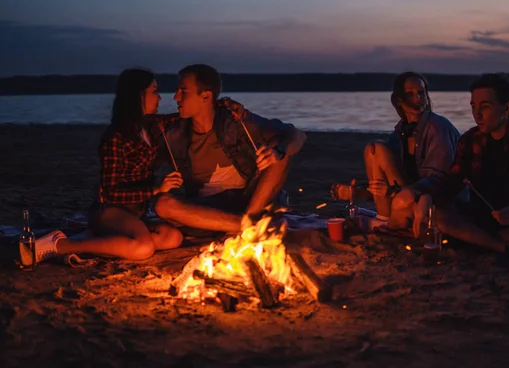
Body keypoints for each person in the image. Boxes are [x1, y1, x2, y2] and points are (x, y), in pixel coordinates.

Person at [395, 73, 509, 266]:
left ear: (507, 107)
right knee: (437, 213)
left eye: (485, 107)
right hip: (483, 220)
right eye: (473, 107)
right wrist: (428, 197)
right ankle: (505, 247)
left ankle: (488, 241)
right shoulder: (471, 140)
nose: (477, 114)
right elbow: (451, 183)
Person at [25, 68, 184, 264]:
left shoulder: (152, 125)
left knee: (173, 237)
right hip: (110, 211)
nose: (159, 98)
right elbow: (110, 193)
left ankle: (99, 242)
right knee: (144, 248)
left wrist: (222, 104)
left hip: (136, 212)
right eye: (154, 91)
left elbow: (185, 115)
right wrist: (157, 189)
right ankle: (62, 245)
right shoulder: (116, 136)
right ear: (138, 95)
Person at [153, 64, 306, 233]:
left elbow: (296, 134)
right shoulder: (174, 133)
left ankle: (249, 219)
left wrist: (277, 152)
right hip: (208, 207)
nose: (175, 97)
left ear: (205, 96)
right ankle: (247, 226)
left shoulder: (236, 119)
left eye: (183, 91)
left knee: (280, 151)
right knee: (163, 204)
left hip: (250, 198)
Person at [331, 72, 461, 236]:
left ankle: (382, 224)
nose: (418, 98)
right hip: (405, 198)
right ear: (399, 100)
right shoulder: (401, 131)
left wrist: (395, 192)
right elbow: (387, 182)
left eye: (421, 93)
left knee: (378, 149)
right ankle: (384, 219)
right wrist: (356, 192)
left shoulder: (438, 127)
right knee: (374, 149)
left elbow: (439, 179)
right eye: (410, 94)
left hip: (435, 202)